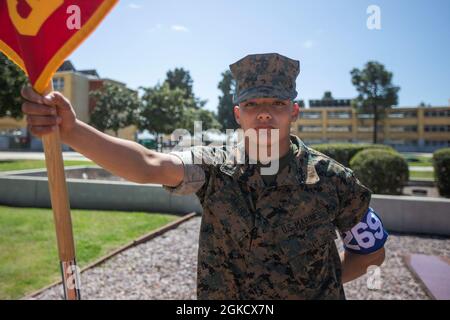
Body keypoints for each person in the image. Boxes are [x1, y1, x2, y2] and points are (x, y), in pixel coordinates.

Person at [21, 52, 388, 300]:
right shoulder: (215, 167)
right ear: (237, 114)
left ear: (293, 112)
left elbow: (371, 253)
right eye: (253, 104)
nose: (264, 114)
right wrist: (70, 131)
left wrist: (319, 285)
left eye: (276, 104)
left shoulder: (334, 180)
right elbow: (148, 164)